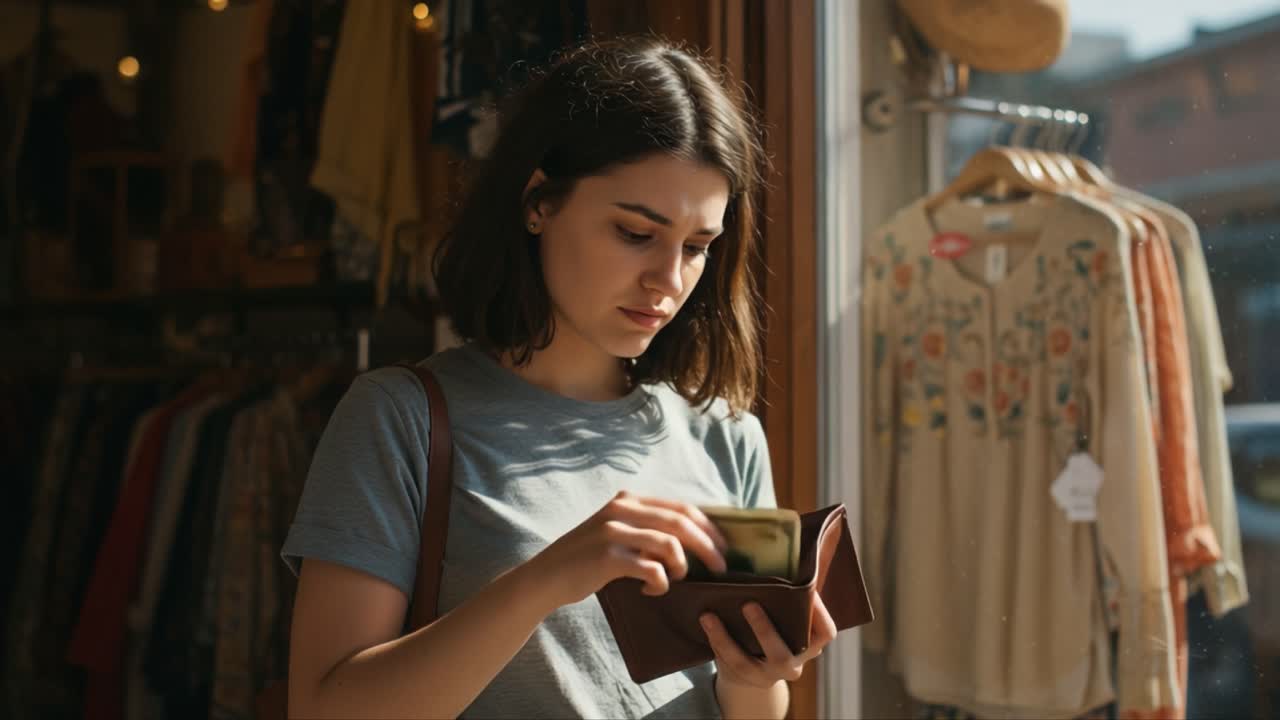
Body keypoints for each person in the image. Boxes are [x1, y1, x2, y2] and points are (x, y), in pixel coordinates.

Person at [281, 35, 836, 719]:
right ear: (538, 202)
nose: (668, 280)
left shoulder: (727, 437)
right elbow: (323, 709)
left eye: (696, 248)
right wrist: (548, 577)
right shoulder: (400, 418)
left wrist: (757, 680)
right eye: (636, 232)